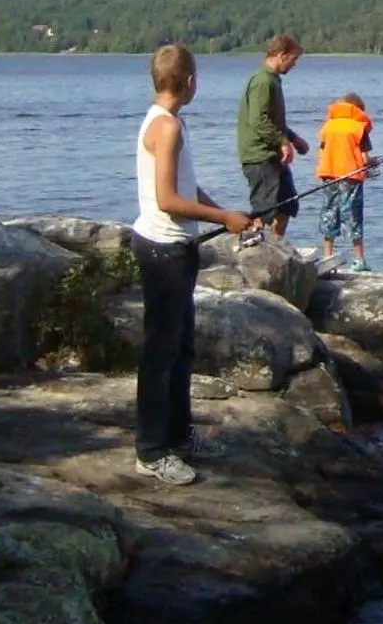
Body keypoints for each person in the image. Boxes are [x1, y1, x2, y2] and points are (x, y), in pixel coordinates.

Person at [133, 43, 252, 486]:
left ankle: (179, 436)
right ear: (189, 81)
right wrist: (223, 219)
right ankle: (150, 452)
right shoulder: (166, 128)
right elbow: (167, 200)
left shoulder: (168, 121)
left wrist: (227, 214)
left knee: (181, 350)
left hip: (176, 250)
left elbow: (186, 188)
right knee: (160, 354)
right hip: (163, 252)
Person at [238, 33, 311, 242]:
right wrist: (282, 141)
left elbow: (273, 120)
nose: (295, 64)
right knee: (265, 209)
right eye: (293, 58)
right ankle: (253, 246)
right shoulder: (262, 81)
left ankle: (276, 246)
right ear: (281, 54)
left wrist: (293, 138)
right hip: (259, 156)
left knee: (287, 203)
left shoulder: (273, 81)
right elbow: (258, 120)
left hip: (273, 155)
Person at [315, 91, 378, 270]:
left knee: (329, 213)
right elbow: (364, 159)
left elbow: (321, 152)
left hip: (328, 175)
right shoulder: (358, 128)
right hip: (351, 177)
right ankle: (359, 260)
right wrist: (373, 162)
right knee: (353, 215)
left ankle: (327, 255)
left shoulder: (328, 126)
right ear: (357, 109)